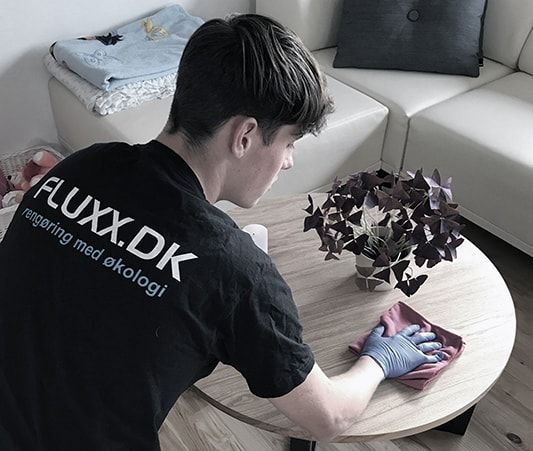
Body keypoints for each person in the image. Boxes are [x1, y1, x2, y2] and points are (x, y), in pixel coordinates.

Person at [0, 14, 443, 450]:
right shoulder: (233, 270)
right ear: (245, 135)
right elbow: (329, 418)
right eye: (289, 142)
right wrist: (379, 360)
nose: (288, 161)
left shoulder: (85, 163)